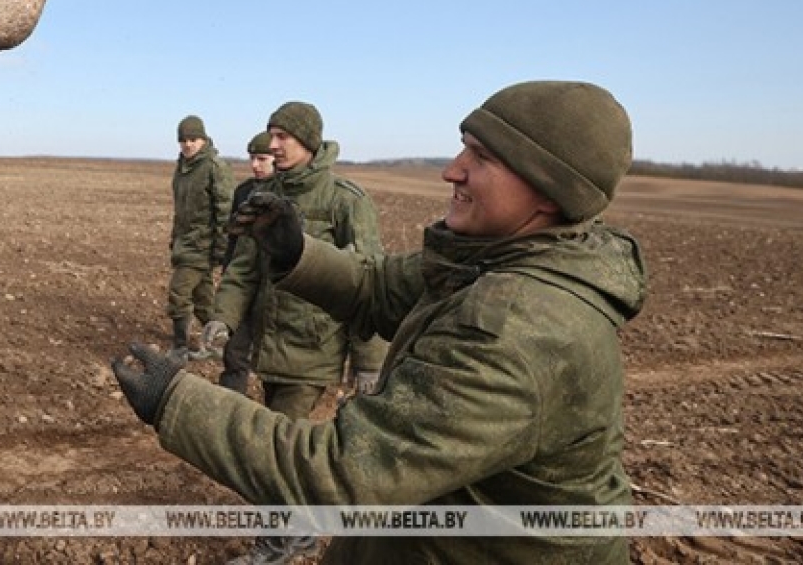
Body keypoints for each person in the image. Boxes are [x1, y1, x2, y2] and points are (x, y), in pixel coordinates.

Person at [114, 80, 647, 563]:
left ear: (548, 189)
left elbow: (340, 474)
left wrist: (175, 399)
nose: (452, 169)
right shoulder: (494, 257)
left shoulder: (518, 330)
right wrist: (298, 253)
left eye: (481, 157)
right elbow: (380, 286)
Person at [199, 101, 386, 565]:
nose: (273, 145)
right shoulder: (265, 197)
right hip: (271, 346)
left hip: (315, 348)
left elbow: (371, 283)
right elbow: (243, 268)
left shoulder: (345, 201)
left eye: (283, 136)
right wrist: (223, 318)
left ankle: (275, 546)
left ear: (309, 141)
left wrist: (369, 363)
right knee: (287, 449)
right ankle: (298, 534)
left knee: (281, 453)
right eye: (271, 135)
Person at [166, 115, 234, 360]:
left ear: (203, 140)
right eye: (183, 140)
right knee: (204, 300)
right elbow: (180, 210)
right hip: (186, 244)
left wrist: (222, 248)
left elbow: (226, 211)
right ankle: (222, 344)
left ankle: (180, 348)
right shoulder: (182, 169)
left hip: (202, 246)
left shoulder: (214, 167)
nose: (188, 145)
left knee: (179, 292)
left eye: (193, 139)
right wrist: (175, 238)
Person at [214, 130, 277, 390]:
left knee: (276, 368)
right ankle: (231, 413)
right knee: (235, 354)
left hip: (277, 291)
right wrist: (227, 272)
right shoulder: (243, 192)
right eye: (252, 158)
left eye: (262, 159)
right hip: (244, 285)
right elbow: (234, 238)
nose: (255, 165)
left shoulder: (291, 194)